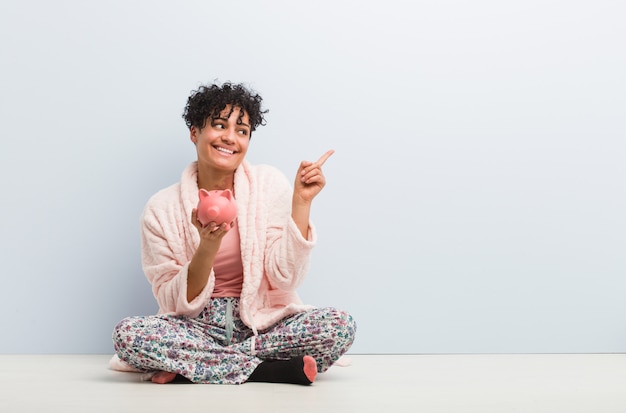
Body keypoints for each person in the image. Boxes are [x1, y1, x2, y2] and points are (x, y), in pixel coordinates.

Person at [111, 81, 356, 385]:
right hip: (195, 328)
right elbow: (172, 301)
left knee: (339, 326)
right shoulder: (161, 208)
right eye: (219, 125)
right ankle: (266, 370)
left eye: (242, 130)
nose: (231, 137)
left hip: (261, 324)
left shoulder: (269, 184)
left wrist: (301, 203)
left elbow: (286, 278)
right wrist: (207, 247)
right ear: (194, 132)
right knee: (128, 335)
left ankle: (197, 367)